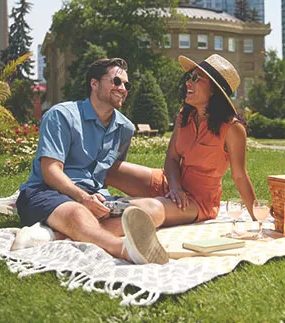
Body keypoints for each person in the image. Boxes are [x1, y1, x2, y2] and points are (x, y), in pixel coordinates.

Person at [8, 57, 168, 265]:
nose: (123, 89)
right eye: (116, 81)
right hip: (46, 191)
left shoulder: (124, 128)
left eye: (127, 85)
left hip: (95, 197)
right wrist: (83, 198)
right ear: (94, 83)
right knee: (77, 212)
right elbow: (51, 170)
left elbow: (109, 173)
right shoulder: (61, 115)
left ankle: (54, 236)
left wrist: (99, 201)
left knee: (153, 209)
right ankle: (126, 249)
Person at [104, 54, 258, 226]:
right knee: (108, 169)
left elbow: (239, 176)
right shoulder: (185, 117)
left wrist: (258, 218)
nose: (188, 82)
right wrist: (175, 187)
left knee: (149, 208)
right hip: (169, 183)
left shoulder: (232, 128)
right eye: (189, 77)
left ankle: (101, 208)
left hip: (196, 202)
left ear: (214, 89)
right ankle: (81, 198)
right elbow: (172, 158)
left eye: (195, 78)